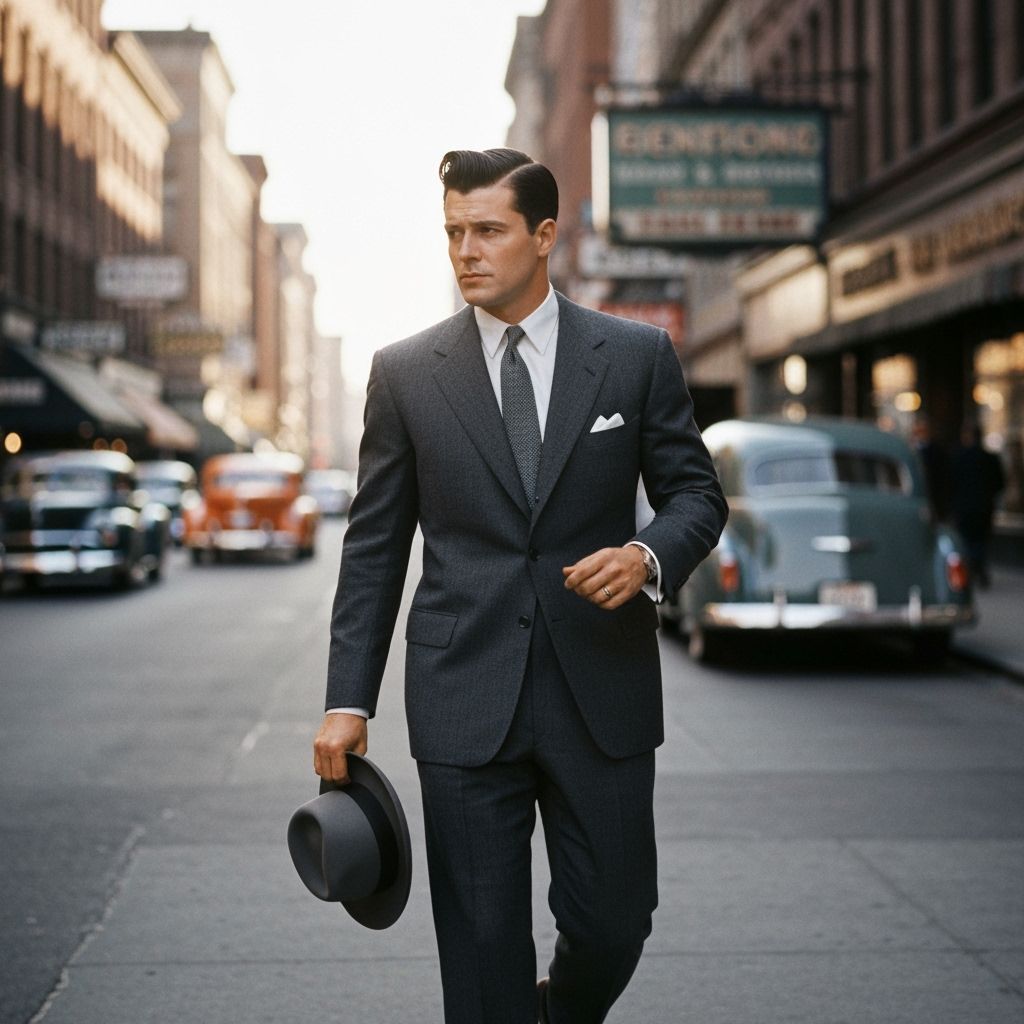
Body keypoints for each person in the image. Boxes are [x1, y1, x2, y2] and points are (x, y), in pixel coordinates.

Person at [313, 148, 727, 1024]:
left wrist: (648, 555)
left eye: (488, 231)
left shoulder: (635, 356)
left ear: (543, 237)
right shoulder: (405, 372)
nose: (466, 250)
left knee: (616, 918)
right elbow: (375, 547)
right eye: (454, 232)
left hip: (599, 689)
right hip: (463, 693)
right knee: (480, 943)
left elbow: (696, 493)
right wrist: (348, 699)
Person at [951, 421, 1005, 588]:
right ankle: (977, 567)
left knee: (968, 540)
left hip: (966, 508)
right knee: (980, 540)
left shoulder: (959, 458)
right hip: (983, 507)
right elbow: (1000, 483)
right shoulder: (990, 458)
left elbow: (951, 483)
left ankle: (974, 568)